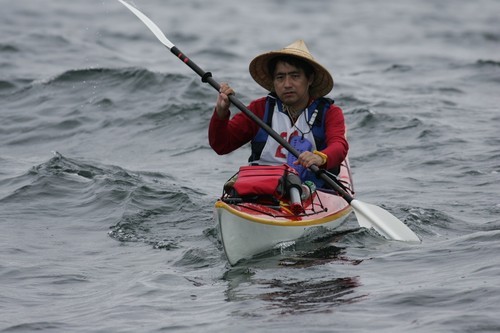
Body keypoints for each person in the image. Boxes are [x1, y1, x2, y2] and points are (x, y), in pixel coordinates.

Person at [208, 40, 348, 188]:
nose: (287, 84)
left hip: (310, 188)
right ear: (274, 82)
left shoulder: (330, 113)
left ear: (310, 79)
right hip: (262, 186)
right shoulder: (259, 109)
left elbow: (339, 146)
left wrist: (319, 158)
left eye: (295, 76)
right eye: (280, 77)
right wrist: (221, 113)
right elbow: (221, 145)